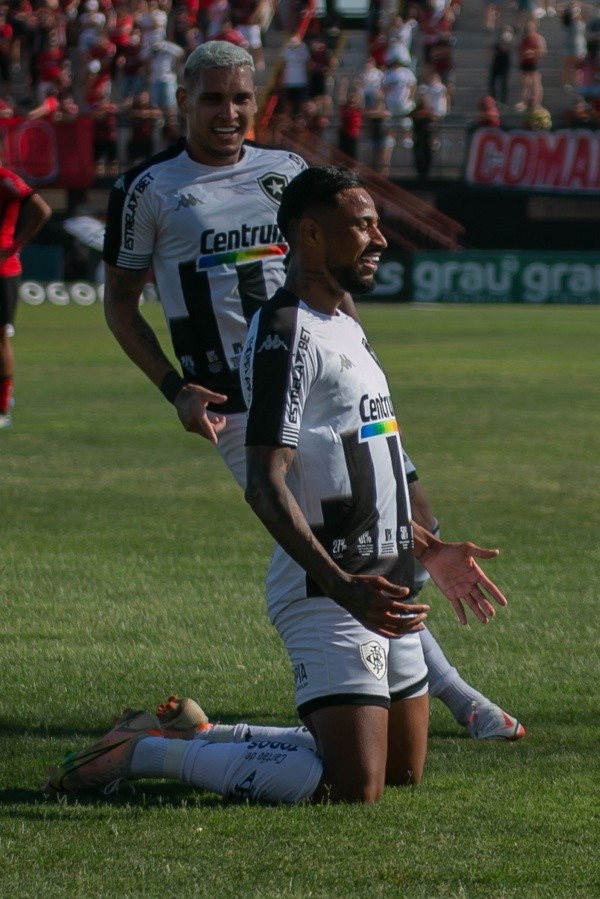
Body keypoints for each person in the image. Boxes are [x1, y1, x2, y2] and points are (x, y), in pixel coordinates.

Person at [44, 167, 513, 804]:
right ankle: (143, 752)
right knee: (354, 788)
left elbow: (362, 465)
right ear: (312, 236)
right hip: (330, 589)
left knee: (401, 770)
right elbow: (266, 485)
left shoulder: (345, 324)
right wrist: (342, 587)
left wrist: (425, 546)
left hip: (382, 583)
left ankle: (195, 731)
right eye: (363, 225)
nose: (379, 238)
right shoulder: (286, 332)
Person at [102, 41, 524, 743]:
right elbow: (120, 305)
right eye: (211, 98)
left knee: (387, 520)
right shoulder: (148, 189)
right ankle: (455, 696)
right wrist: (175, 388)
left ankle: (418, 691)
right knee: (348, 533)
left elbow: (330, 282)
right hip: (242, 404)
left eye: (240, 97)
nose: (229, 112)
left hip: (330, 380)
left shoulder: (287, 171)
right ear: (182, 101)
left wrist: (360, 360)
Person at [0, 142, 52, 428]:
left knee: (0, 338)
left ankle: (3, 405)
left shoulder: (5, 179)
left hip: (2, 270)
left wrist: (15, 246)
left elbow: (41, 209)